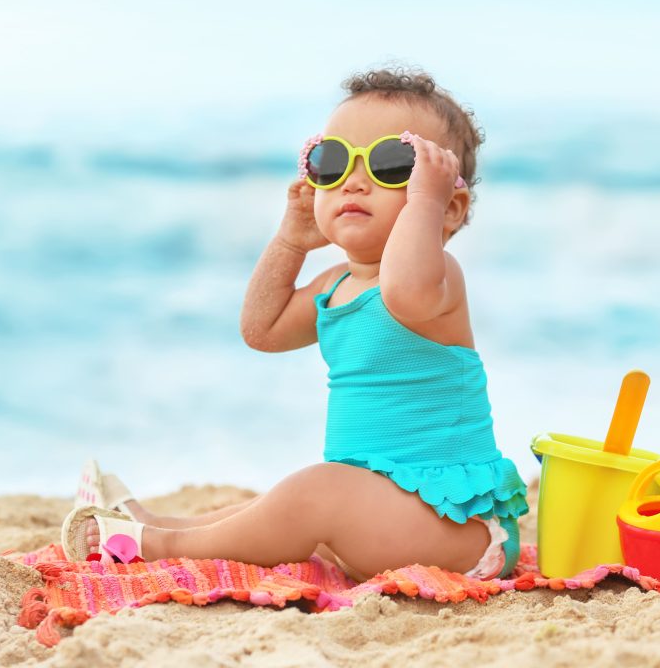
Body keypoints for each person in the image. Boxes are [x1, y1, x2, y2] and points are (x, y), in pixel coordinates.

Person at [63, 67, 529, 581]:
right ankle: (156, 522)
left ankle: (156, 544)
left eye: (393, 164)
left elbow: (402, 294)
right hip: (377, 514)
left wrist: (425, 201)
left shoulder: (437, 280)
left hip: (457, 527)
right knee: (278, 504)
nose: (354, 179)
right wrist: (290, 242)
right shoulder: (334, 284)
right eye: (331, 162)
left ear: (450, 208)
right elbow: (262, 331)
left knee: (316, 492)